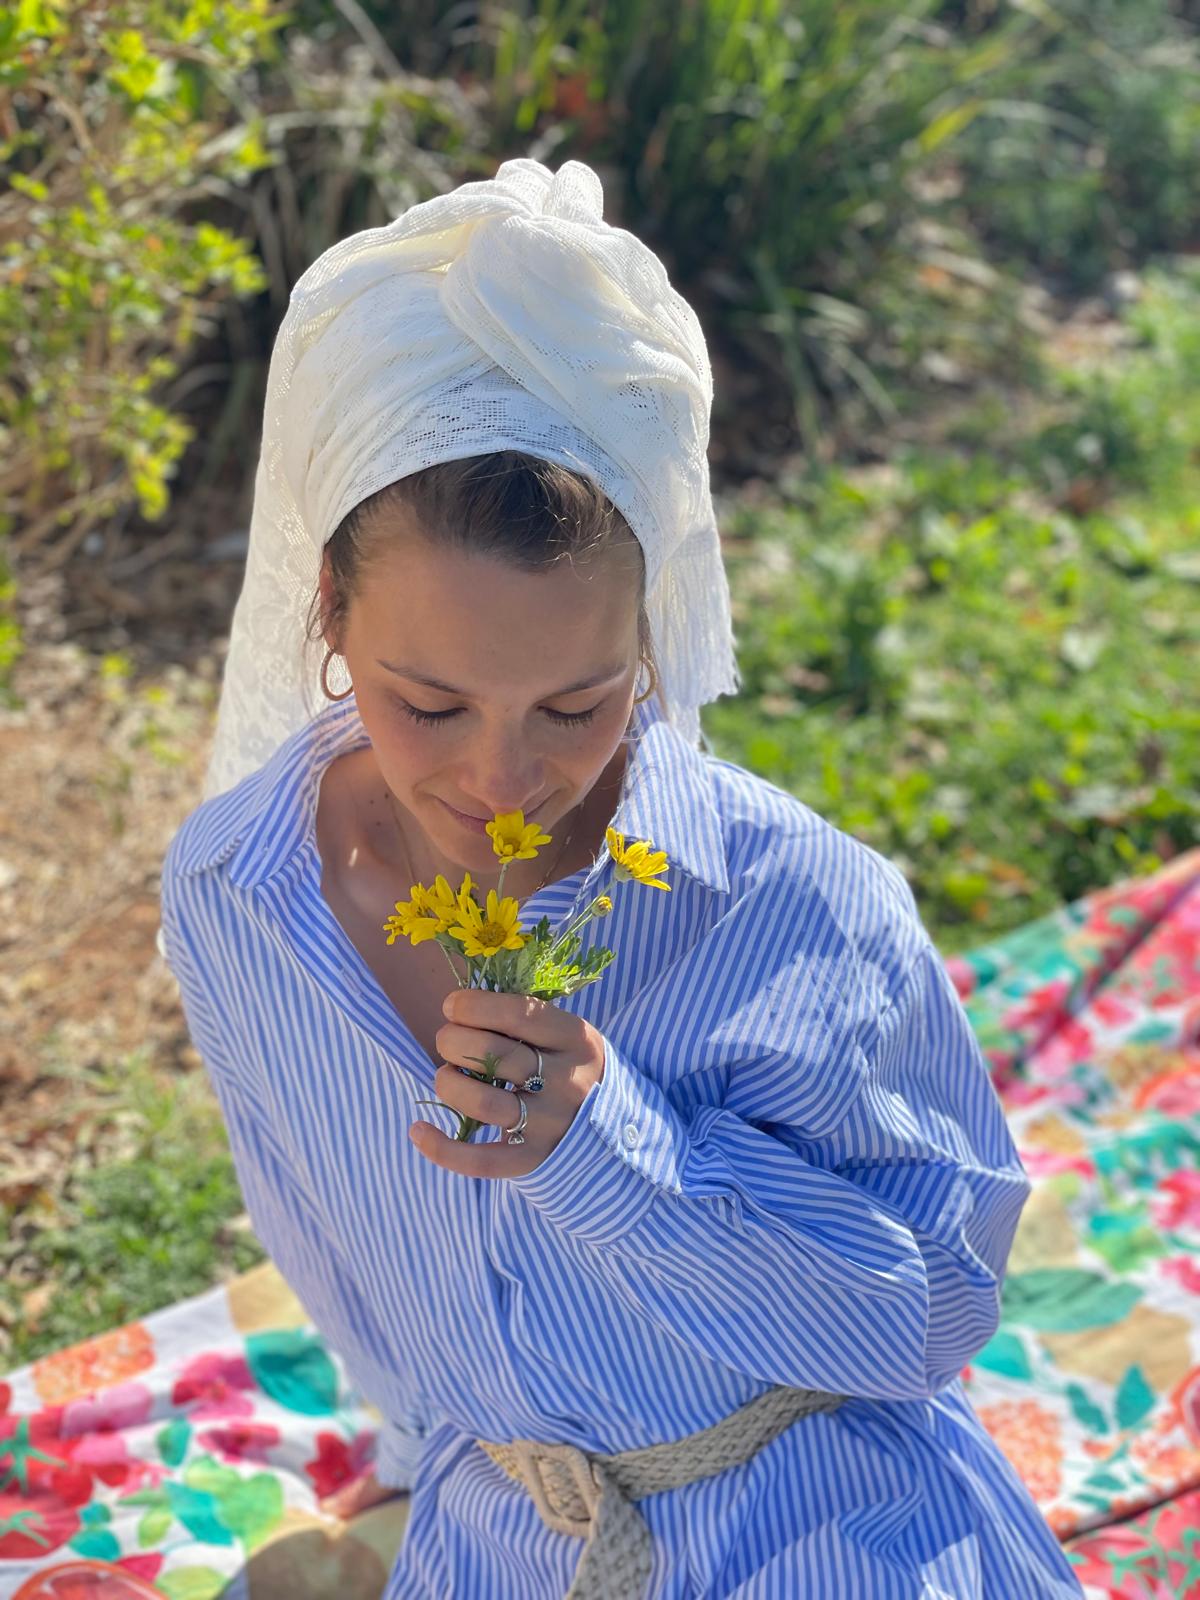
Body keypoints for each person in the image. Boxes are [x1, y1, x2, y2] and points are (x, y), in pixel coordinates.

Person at [158, 158, 1085, 1598]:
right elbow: (330, 1249)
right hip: (501, 1538)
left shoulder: (793, 904)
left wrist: (617, 1148)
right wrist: (437, 1460)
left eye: (577, 706)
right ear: (327, 608)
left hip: (820, 1528)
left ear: (651, 629)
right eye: (429, 704)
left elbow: (930, 1319)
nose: (501, 780)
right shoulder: (242, 897)